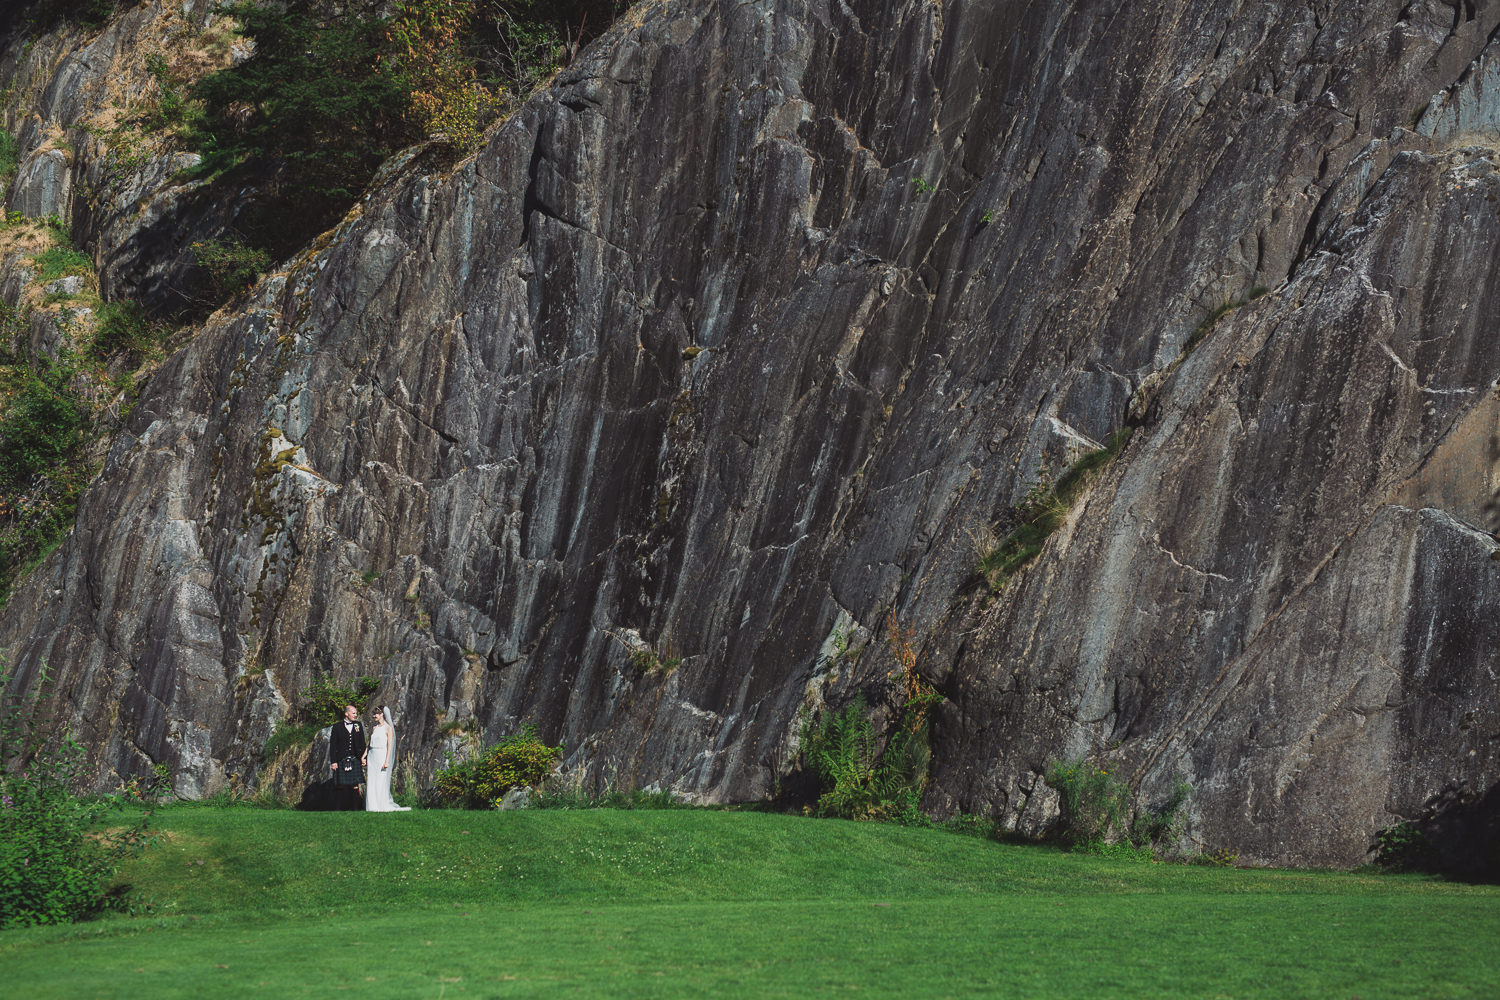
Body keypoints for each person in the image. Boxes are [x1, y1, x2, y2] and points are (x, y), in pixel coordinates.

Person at [364, 705, 411, 812]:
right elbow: (369, 744)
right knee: (371, 780)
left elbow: (390, 745)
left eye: (376, 714)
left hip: (381, 754)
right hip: (372, 755)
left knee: (380, 780)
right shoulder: (374, 728)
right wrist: (364, 756)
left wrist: (387, 760)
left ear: (382, 715)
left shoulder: (388, 728)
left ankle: (381, 805)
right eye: (374, 714)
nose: (374, 716)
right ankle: (372, 806)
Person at [328, 704, 366, 811]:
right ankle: (338, 808)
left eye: (356, 713)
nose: (355, 715)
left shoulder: (358, 725)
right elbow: (333, 745)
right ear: (346, 713)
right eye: (353, 713)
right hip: (341, 759)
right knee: (340, 784)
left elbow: (362, 743)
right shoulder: (337, 726)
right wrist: (334, 761)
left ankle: (355, 808)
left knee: (355, 784)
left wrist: (363, 758)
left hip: (355, 758)